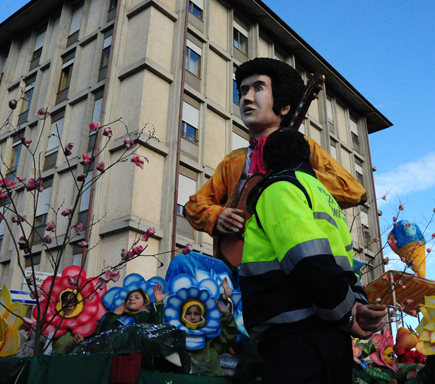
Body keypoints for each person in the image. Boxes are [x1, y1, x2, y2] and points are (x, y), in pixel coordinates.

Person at [239, 129, 385, 384]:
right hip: (334, 342)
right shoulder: (326, 198)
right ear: (307, 158)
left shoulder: (280, 188)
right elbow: (346, 267)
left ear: (264, 162)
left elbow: (307, 260)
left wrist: (349, 316)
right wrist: (357, 305)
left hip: (295, 338)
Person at [184, 58, 366, 246]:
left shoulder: (305, 147)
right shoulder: (233, 161)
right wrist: (217, 215)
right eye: (244, 90)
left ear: (284, 107)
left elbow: (353, 191)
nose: (247, 98)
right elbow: (193, 206)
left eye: (258, 88)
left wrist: (293, 172)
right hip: (239, 257)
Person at [100, 285, 167, 331]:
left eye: (137, 297)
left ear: (145, 304)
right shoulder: (119, 317)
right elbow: (105, 334)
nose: (131, 299)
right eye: (129, 298)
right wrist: (115, 314)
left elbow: (158, 329)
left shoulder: (147, 316)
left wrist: (158, 302)